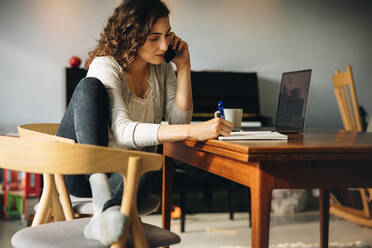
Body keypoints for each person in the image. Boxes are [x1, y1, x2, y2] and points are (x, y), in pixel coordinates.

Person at [57, 0, 232, 245]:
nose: (164, 45)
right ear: (131, 36)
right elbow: (123, 131)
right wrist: (197, 130)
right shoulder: (106, 65)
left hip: (124, 176)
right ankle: (101, 201)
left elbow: (178, 121)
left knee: (147, 163)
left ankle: (106, 216)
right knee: (88, 86)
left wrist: (184, 67)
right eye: (154, 38)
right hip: (82, 173)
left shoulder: (162, 70)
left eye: (167, 35)